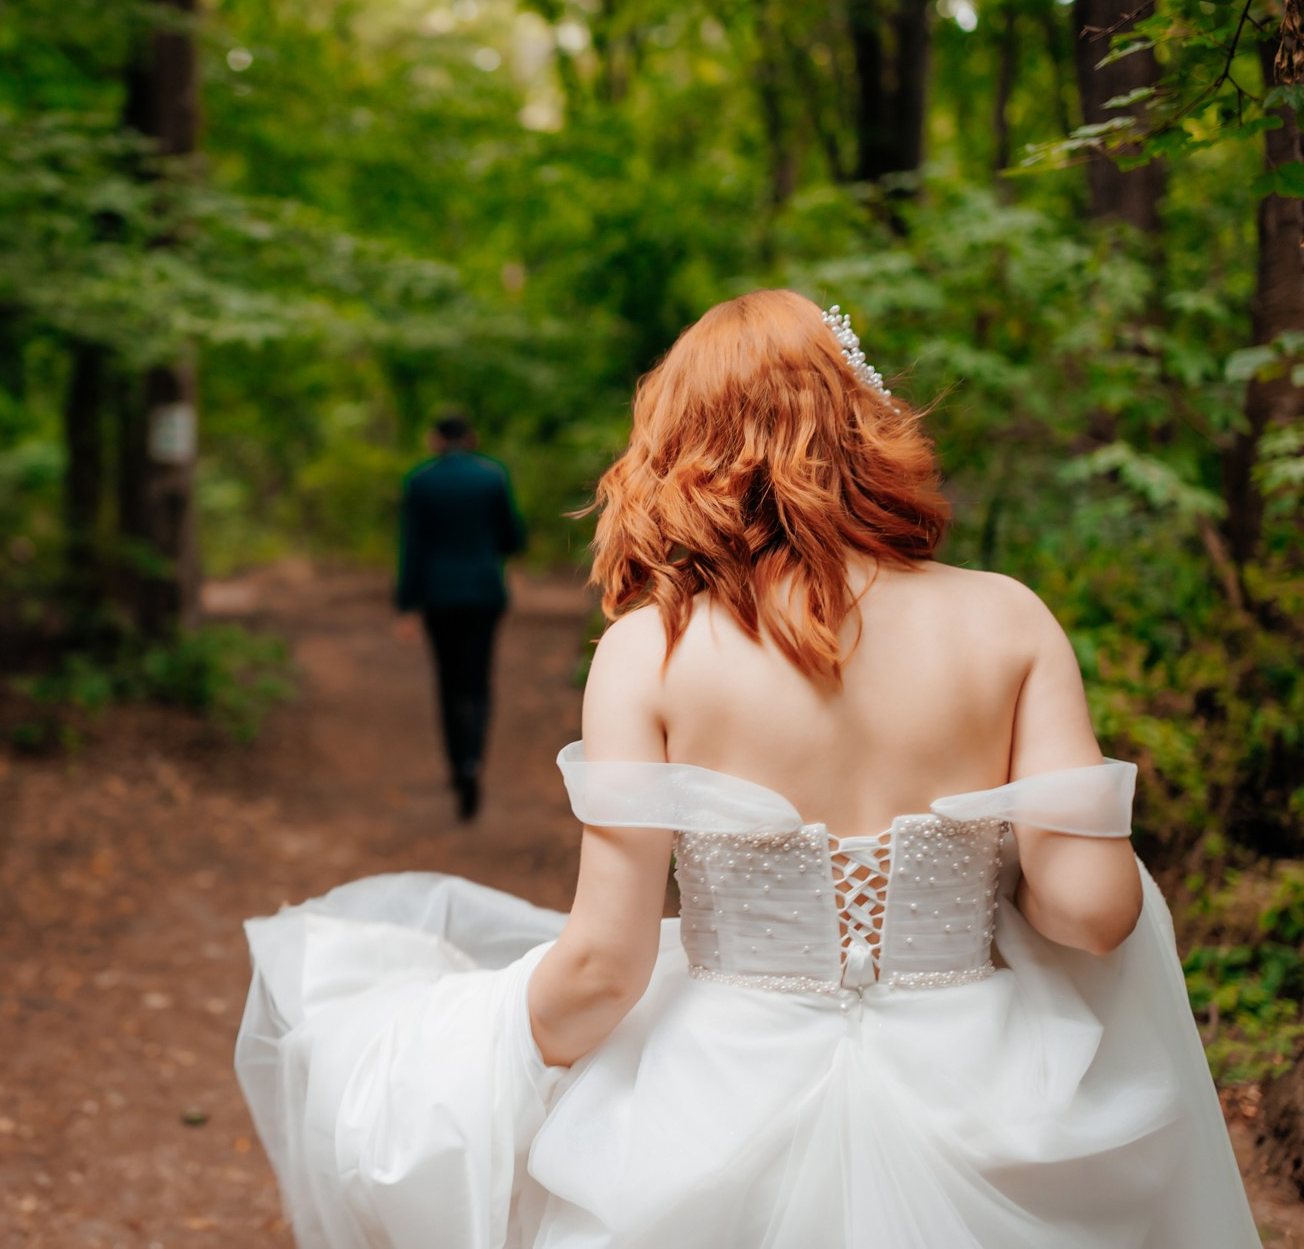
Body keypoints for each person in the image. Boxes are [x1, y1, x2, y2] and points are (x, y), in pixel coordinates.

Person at [236, 291, 1258, 1248]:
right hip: (988, 1087)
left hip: (718, 1098)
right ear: (866, 425)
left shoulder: (651, 649)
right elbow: (1090, 909)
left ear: (682, 450)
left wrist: (467, 1053)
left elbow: (601, 969)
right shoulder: (1006, 617)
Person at [394, 413, 526, 821]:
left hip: (438, 595)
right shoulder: (492, 477)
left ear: (435, 439)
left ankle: (456, 765)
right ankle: (473, 761)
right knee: (479, 682)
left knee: (448, 683)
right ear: (471, 437)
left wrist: (405, 605)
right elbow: (513, 539)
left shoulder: (420, 481)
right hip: (484, 592)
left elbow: (411, 548)